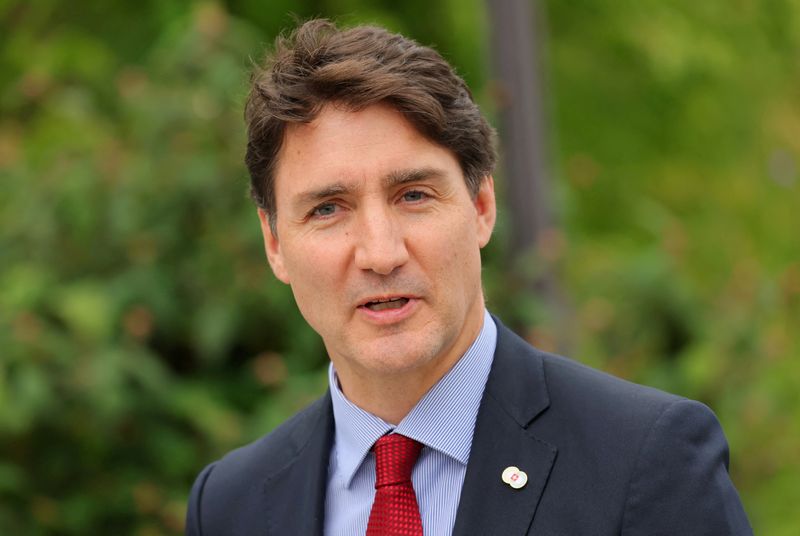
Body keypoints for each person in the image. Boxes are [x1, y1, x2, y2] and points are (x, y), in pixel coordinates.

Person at [185, 19, 753, 536]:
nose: (381, 254)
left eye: (413, 195)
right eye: (328, 209)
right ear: (275, 243)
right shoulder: (230, 507)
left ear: (482, 206)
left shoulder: (648, 459)